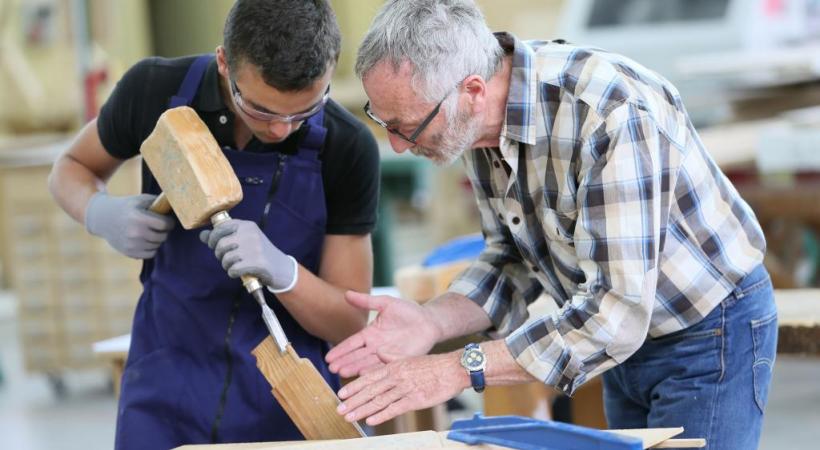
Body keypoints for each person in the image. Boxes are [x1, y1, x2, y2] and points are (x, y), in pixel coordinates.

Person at [325, 1, 777, 449]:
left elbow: (614, 315)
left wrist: (456, 369)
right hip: (623, 340)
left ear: (473, 91)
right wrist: (432, 321)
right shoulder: (472, 120)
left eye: (405, 127)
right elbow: (511, 258)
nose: (397, 146)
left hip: (708, 329)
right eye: (384, 123)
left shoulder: (609, 113)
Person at [48, 0, 380, 447]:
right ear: (224, 62)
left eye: (303, 111)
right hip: (166, 383)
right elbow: (70, 169)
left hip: (284, 396)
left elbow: (349, 322)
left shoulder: (346, 146)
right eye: (262, 110)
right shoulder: (155, 90)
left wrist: (285, 273)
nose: (281, 130)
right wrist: (100, 213)